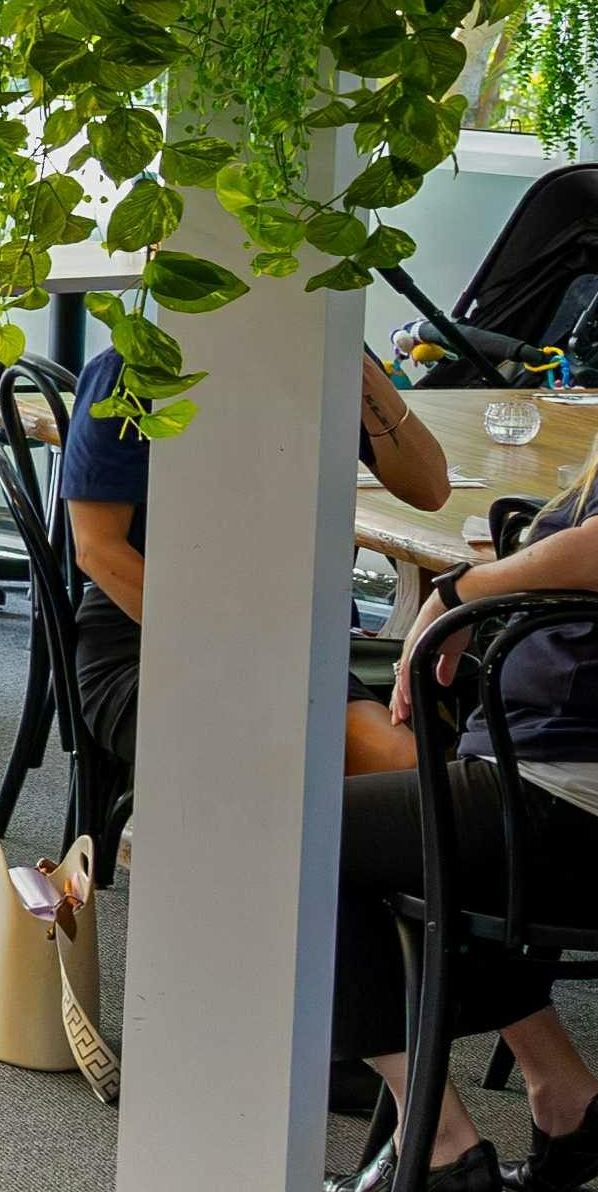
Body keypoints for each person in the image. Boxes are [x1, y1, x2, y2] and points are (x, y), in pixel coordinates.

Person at [318, 397, 598, 1192]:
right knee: (413, 843)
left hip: (572, 802)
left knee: (286, 838)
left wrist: (463, 588)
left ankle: (440, 1149)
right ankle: (568, 1102)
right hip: (591, 804)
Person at [57, 339, 450, 838]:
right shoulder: (132, 368)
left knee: (405, 771)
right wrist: (239, 651)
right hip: (148, 642)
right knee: (277, 762)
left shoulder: (311, 345)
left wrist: (369, 381)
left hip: (287, 644)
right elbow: (97, 551)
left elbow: (430, 488)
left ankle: (354, 905)